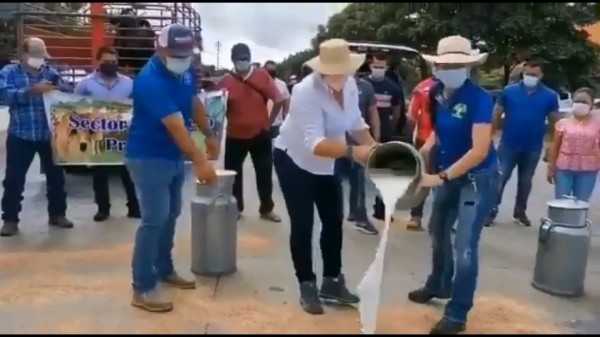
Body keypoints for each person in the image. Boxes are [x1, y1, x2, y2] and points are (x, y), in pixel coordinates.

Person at [274, 38, 374, 315]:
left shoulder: (351, 85)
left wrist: (376, 149)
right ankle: (307, 284)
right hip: (295, 161)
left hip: (328, 163)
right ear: (322, 69)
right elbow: (314, 144)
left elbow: (355, 123)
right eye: (334, 71)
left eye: (344, 70)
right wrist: (355, 152)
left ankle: (332, 281)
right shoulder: (305, 92)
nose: (340, 76)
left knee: (333, 221)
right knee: (304, 224)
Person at [408, 35, 498, 334]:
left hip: (476, 178)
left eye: (459, 64)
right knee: (437, 228)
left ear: (469, 67)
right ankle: (438, 283)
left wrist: (442, 176)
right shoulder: (434, 93)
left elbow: (479, 150)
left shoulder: (481, 99)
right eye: (447, 64)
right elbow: (437, 132)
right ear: (437, 67)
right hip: (449, 171)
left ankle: (457, 313)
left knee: (465, 247)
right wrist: (422, 152)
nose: (452, 69)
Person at [125, 24, 219, 313]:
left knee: (172, 214)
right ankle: (142, 287)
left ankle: (164, 269)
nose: (182, 57)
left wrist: (210, 133)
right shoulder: (148, 81)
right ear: (159, 47)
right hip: (149, 157)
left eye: (186, 52)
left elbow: (193, 104)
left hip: (174, 157)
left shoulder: (186, 71)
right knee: (154, 219)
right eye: (176, 53)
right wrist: (201, 160)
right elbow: (176, 126)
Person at [0, 37, 74, 237]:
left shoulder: (51, 73)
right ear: (24, 55)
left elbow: (69, 94)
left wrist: (61, 90)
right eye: (35, 56)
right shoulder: (9, 73)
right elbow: (5, 96)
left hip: (48, 135)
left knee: (56, 178)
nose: (40, 60)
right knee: (14, 179)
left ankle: (58, 214)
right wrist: (32, 91)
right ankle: (10, 219)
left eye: (42, 56)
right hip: (21, 134)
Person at [488, 59, 559, 227]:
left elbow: (555, 122)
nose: (530, 77)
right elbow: (497, 114)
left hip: (533, 146)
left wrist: (551, 146)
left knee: (525, 181)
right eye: (527, 73)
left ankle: (520, 212)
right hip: (508, 144)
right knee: (499, 178)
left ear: (541, 75)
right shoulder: (509, 91)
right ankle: (490, 211)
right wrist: (489, 136)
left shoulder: (549, 96)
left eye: (534, 74)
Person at [217, 43, 284, 222]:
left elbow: (279, 99)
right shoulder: (226, 81)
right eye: (239, 59)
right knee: (233, 174)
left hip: (260, 134)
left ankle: (267, 209)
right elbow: (217, 107)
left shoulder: (262, 76)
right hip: (234, 135)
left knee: (264, 172)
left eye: (245, 59)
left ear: (250, 59)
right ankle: (236, 208)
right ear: (232, 60)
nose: (243, 62)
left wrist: (269, 123)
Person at [73, 46, 140, 222]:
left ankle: (134, 207)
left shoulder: (129, 83)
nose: (110, 64)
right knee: (99, 173)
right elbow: (74, 105)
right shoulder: (85, 83)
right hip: (97, 133)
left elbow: (138, 103)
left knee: (128, 171)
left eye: (113, 61)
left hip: (123, 133)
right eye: (106, 61)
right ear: (98, 62)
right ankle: (103, 209)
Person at [335, 63, 380, 235]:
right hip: (333, 144)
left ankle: (359, 216)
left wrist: (374, 139)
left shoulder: (364, 88)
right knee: (333, 183)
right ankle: (333, 217)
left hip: (357, 143)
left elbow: (370, 115)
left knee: (358, 181)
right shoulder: (324, 86)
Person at [366, 52, 406, 221]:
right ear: (370, 65)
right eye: (376, 66)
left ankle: (381, 208)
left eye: (381, 67)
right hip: (364, 132)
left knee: (384, 172)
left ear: (387, 68)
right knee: (359, 174)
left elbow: (397, 112)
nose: (378, 70)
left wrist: (390, 128)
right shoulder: (363, 85)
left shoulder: (393, 87)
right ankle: (357, 211)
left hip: (385, 133)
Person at [547, 87, 600, 201]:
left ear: (591, 105)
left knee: (581, 202)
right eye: (577, 101)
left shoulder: (597, 124)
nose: (580, 104)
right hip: (564, 168)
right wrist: (551, 167)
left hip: (588, 169)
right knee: (562, 200)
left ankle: (580, 219)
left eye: (584, 102)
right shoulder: (563, 123)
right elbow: (555, 146)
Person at [406, 75, 437, 231]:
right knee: (422, 178)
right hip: (424, 140)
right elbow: (412, 115)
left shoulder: (422, 87)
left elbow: (412, 116)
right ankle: (417, 216)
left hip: (447, 141)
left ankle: (437, 219)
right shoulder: (422, 88)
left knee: (444, 180)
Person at [264, 60, 290, 139]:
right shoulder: (260, 84)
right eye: (269, 71)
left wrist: (286, 118)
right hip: (262, 124)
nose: (271, 74)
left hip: (277, 124)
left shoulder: (282, 84)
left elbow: (287, 102)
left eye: (273, 71)